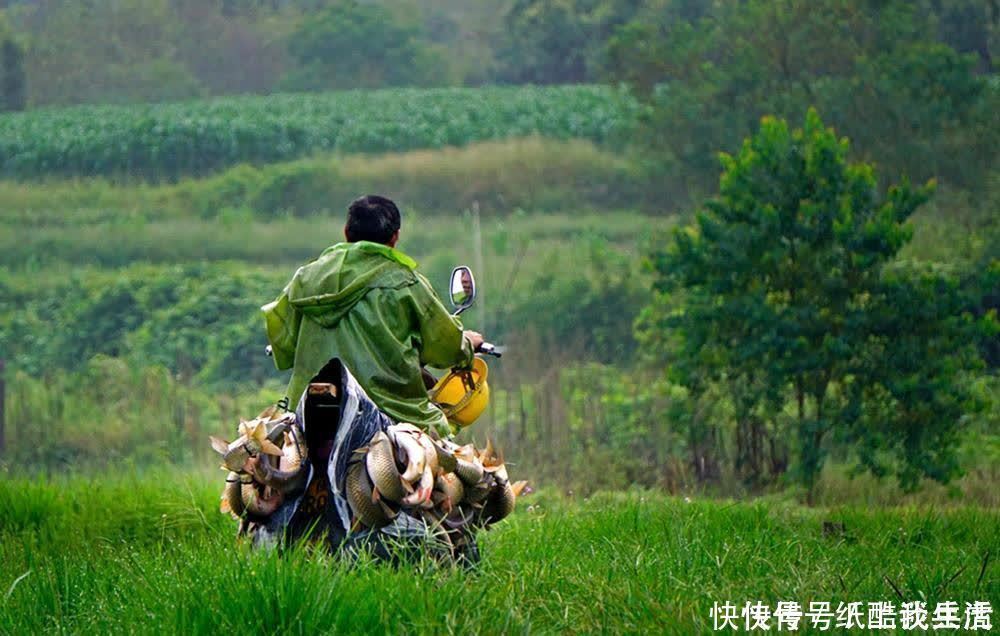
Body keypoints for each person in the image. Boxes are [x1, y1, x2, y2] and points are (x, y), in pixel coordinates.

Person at [262, 195, 483, 438]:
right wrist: (466, 345)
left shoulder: (306, 278)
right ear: (395, 237)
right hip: (394, 412)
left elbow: (283, 339)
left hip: (309, 410)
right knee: (450, 458)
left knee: (267, 458)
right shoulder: (407, 283)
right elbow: (444, 347)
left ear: (346, 232)